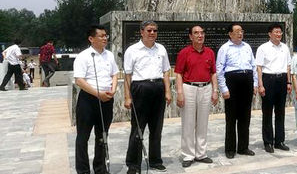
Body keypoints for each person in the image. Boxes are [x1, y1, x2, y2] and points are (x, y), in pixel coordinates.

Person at [124, 21, 172, 174]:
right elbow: (127, 75)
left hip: (158, 87)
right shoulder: (132, 50)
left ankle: (155, 160)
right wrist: (127, 97)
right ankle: (133, 164)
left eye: (155, 30)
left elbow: (165, 71)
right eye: (149, 30)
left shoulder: (161, 49)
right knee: (138, 128)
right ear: (142, 32)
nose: (152, 33)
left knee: (156, 128)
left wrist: (167, 91)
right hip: (140, 89)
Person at [73, 25, 118, 174]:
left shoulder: (109, 55)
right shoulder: (83, 56)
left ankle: (100, 168)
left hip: (106, 99)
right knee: (83, 137)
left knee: (102, 136)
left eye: (106, 35)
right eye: (101, 36)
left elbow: (115, 74)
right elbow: (79, 80)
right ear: (91, 39)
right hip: (88, 100)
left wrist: (113, 89)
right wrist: (97, 93)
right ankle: (83, 170)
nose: (105, 38)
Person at [175, 25, 218, 168]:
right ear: (190, 36)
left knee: (203, 123)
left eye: (202, 33)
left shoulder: (210, 52)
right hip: (189, 88)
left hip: (206, 88)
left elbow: (213, 73)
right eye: (196, 33)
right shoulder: (184, 53)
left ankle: (201, 153)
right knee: (188, 123)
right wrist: (180, 93)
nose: (200, 35)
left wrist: (215, 90)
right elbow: (179, 74)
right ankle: (188, 155)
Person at [216, 23, 258, 159]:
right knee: (231, 117)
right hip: (232, 82)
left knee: (245, 117)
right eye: (237, 31)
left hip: (247, 80)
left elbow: (253, 65)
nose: (240, 33)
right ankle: (230, 148)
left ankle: (243, 147)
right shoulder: (225, 48)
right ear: (230, 34)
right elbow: (219, 70)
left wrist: (255, 83)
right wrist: (224, 88)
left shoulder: (247, 47)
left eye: (242, 31)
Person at [256, 23, 292, 153]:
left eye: (280, 32)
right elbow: (259, 67)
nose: (278, 34)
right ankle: (268, 141)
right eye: (276, 32)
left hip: (282, 80)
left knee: (280, 112)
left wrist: (289, 82)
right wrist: (260, 85)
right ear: (269, 34)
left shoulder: (285, 48)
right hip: (268, 79)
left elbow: (288, 66)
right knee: (267, 112)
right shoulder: (263, 48)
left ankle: (279, 141)